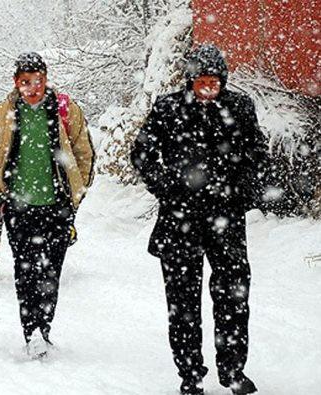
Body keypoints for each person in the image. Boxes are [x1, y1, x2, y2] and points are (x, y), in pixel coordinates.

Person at [131, 44, 269, 395]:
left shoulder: (239, 107)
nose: (209, 88)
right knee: (182, 304)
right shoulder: (168, 108)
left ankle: (233, 370)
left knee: (234, 298)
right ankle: (190, 374)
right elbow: (143, 152)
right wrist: (166, 186)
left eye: (215, 81)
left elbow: (258, 151)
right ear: (190, 80)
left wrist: (243, 185)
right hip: (179, 221)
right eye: (202, 81)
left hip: (227, 219)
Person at [0, 52, 95, 359]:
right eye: (26, 82)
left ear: (46, 79)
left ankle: (45, 327)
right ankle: (31, 331)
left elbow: (84, 151)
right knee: (26, 271)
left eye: (38, 80)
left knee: (52, 271)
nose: (33, 88)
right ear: (16, 82)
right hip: (18, 207)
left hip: (56, 206)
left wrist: (75, 194)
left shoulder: (64, 110)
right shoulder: (2, 114)